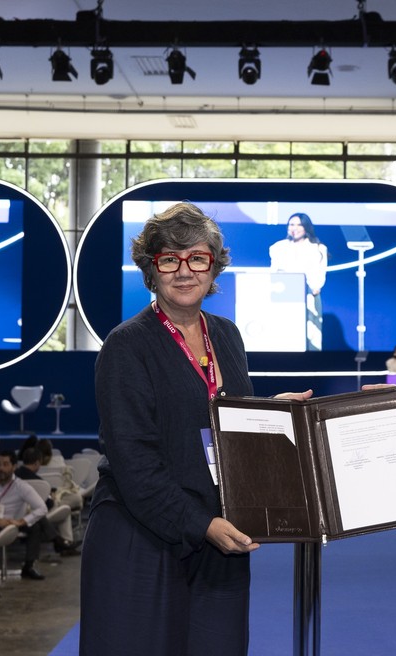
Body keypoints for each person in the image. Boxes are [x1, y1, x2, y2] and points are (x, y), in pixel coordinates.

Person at [82, 201, 312, 656]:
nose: (185, 271)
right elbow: (134, 462)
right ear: (152, 269)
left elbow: (210, 416)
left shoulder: (226, 334)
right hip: (143, 538)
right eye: (170, 259)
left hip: (219, 533)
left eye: (198, 258)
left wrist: (267, 413)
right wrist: (201, 524)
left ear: (214, 266)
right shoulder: (127, 345)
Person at [0, 451, 55, 580]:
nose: (1, 468)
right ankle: (58, 541)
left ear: (14, 467)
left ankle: (29, 566)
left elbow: (42, 508)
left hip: (11, 524)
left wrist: (22, 521)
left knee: (35, 526)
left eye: (5, 464)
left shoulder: (21, 486)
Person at [268, 212, 327, 350]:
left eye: (299, 225)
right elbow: (274, 274)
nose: (294, 228)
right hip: (284, 299)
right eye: (291, 224)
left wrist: (314, 288)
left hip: (309, 298)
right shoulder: (278, 248)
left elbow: (319, 277)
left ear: (306, 227)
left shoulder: (318, 248)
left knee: (312, 337)